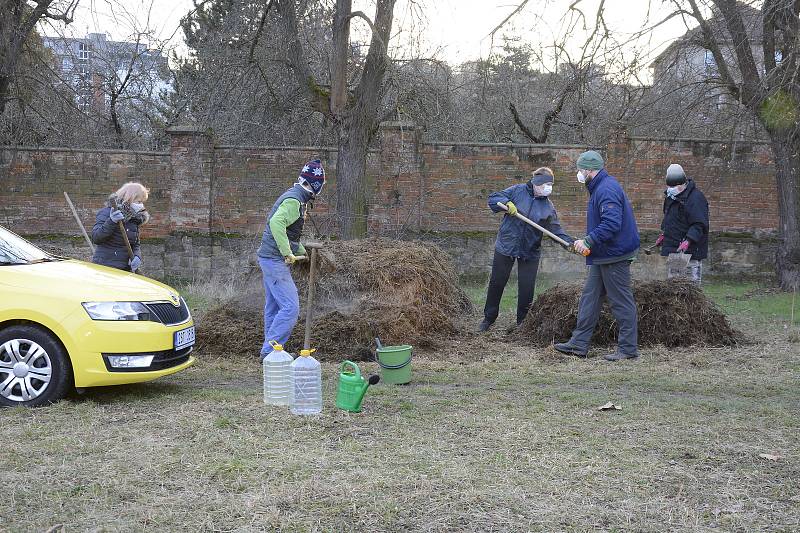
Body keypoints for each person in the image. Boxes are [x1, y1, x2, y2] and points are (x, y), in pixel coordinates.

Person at [554, 151, 641, 361]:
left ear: (589, 170)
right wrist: (589, 241)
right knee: (589, 298)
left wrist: (588, 241)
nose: (578, 173)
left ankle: (628, 349)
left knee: (620, 301)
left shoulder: (606, 189)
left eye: (580, 169)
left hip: (615, 255)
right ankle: (579, 344)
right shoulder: (599, 187)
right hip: (604, 255)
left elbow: (612, 223)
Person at [479, 167, 576, 332]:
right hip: (506, 245)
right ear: (536, 183)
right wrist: (506, 203)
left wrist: (570, 244)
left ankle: (522, 324)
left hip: (530, 250)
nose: (548, 188)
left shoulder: (547, 207)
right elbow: (494, 198)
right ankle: (489, 318)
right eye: (546, 184)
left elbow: (555, 231)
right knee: (497, 282)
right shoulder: (517, 191)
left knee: (527, 288)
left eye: (551, 184)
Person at [257, 159, 325, 360]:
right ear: (316, 185)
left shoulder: (296, 198)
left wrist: (301, 250)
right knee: (290, 307)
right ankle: (270, 351)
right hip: (274, 259)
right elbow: (276, 223)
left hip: (268, 258)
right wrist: (287, 253)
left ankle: (270, 353)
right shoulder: (295, 201)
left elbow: (289, 232)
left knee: (274, 307)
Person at [653, 163, 709, 284]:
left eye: (676, 186)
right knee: (674, 286)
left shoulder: (696, 199)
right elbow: (670, 219)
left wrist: (688, 240)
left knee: (690, 289)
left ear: (683, 183)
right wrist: (665, 235)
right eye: (670, 186)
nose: (672, 188)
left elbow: (699, 224)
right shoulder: (671, 197)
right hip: (675, 251)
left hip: (691, 253)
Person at [91, 182, 150, 272]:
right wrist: (112, 221)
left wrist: (137, 256)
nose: (141, 205)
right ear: (129, 198)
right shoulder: (107, 213)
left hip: (124, 270)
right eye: (139, 201)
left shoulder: (134, 218)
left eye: (142, 202)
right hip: (104, 268)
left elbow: (135, 244)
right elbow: (96, 238)